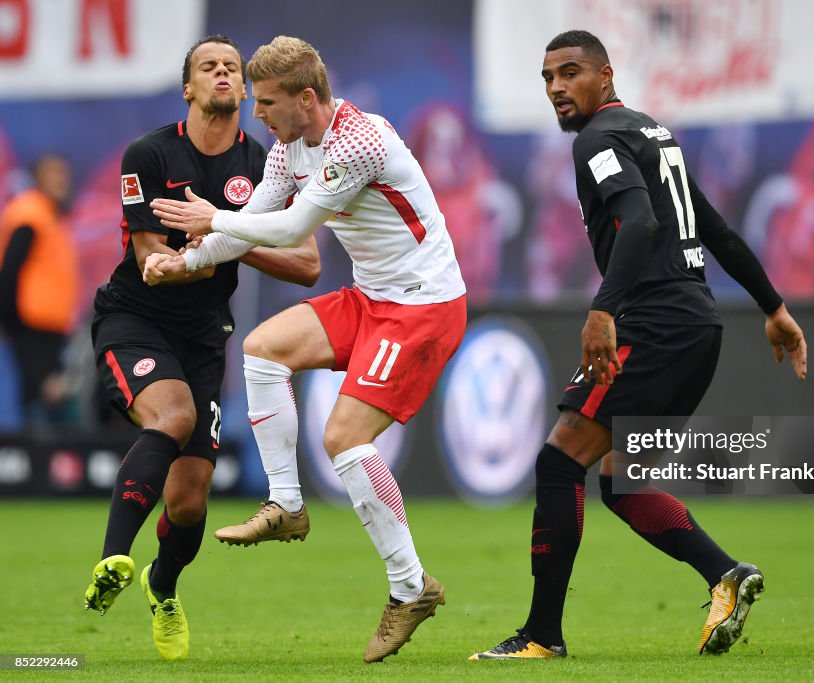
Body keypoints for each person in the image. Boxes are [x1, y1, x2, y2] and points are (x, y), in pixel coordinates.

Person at [470, 30, 808, 661]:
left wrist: (603, 309)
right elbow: (715, 228)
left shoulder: (600, 139)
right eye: (547, 78)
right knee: (622, 483)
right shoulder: (652, 133)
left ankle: (542, 636)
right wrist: (774, 307)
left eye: (570, 73)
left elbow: (642, 221)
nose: (557, 88)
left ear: (606, 74)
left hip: (653, 326)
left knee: (558, 462)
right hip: (696, 326)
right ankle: (725, 575)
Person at [146, 35, 466, 663]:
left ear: (308, 98)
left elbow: (291, 231)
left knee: (344, 440)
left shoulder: (360, 139)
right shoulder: (289, 146)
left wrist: (212, 219)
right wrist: (184, 261)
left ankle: (410, 588)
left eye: (265, 101)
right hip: (372, 297)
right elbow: (254, 220)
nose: (253, 110)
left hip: (423, 305)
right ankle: (288, 504)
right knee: (263, 348)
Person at [81, 35, 321, 662]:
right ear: (187, 88)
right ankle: (114, 557)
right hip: (135, 318)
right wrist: (201, 241)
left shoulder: (266, 164)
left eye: (232, 68)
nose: (222, 73)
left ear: (244, 90)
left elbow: (307, 264)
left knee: (188, 504)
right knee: (175, 415)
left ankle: (162, 586)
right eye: (208, 66)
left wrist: (222, 225)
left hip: (204, 336)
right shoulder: (150, 153)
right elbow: (152, 258)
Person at [0, 153, 79, 425]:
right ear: (36, 179)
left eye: (63, 174)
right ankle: (35, 463)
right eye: (52, 174)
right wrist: (11, 322)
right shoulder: (30, 214)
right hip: (31, 325)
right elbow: (9, 270)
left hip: (52, 327)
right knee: (39, 397)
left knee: (49, 397)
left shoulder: (52, 216)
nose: (60, 181)